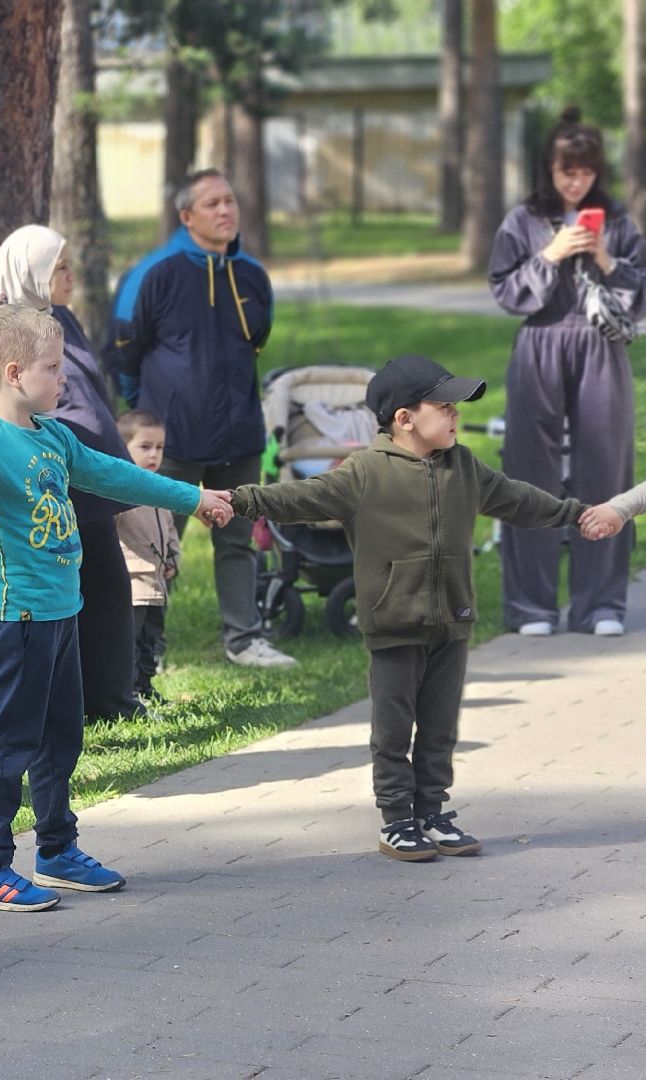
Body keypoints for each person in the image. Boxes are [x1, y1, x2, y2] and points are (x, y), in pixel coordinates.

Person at [0, 303, 231, 910]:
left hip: (61, 615)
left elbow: (116, 475)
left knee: (61, 740)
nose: (64, 380)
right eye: (53, 369)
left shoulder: (51, 435)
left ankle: (56, 849)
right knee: (8, 743)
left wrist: (191, 497)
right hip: (17, 619)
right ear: (12, 372)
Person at [227, 355, 588, 860]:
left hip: (453, 620)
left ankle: (432, 813)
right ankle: (397, 820)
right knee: (394, 730)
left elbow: (518, 499)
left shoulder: (463, 466)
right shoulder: (363, 472)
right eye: (445, 406)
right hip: (394, 622)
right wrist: (238, 500)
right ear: (404, 417)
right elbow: (298, 497)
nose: (456, 415)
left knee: (441, 727)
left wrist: (577, 515)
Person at [105, 169, 291, 670]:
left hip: (240, 434)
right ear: (187, 216)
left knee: (239, 539)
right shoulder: (152, 273)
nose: (225, 211)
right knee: (156, 541)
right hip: (172, 438)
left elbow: (258, 337)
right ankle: (148, 649)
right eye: (212, 204)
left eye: (230, 200)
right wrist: (145, 416)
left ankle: (244, 636)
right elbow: (122, 348)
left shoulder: (252, 275)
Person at [487, 108, 643, 638]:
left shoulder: (617, 220)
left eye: (585, 172)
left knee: (606, 469)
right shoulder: (523, 220)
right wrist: (550, 255)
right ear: (548, 170)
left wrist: (604, 258)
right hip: (540, 346)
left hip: (601, 349)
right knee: (532, 474)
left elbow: (639, 292)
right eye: (565, 171)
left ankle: (600, 604)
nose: (576, 182)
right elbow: (506, 290)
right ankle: (531, 607)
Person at [0, 224, 143, 719]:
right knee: (77, 597)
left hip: (92, 483)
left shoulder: (62, 318)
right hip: (54, 481)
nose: (70, 274)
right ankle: (85, 705)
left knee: (109, 591)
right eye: (59, 266)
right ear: (31, 272)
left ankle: (114, 699)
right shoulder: (13, 327)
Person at [115, 410, 180, 700]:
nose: (154, 455)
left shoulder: (158, 488)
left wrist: (173, 558)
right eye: (145, 447)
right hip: (131, 583)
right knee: (129, 640)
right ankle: (126, 691)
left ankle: (144, 686)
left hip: (156, 583)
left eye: (160, 448)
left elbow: (170, 528)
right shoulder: (119, 489)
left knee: (152, 639)